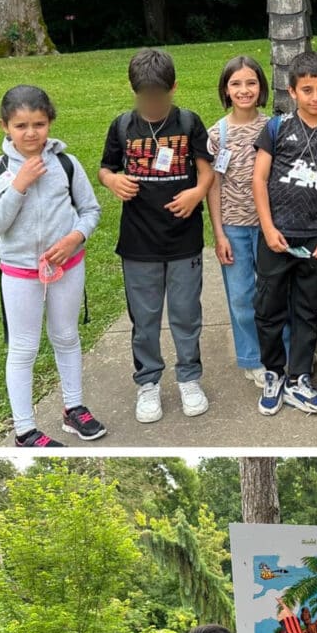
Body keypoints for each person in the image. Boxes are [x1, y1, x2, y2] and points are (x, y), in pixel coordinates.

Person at [0, 85, 104, 447]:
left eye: (38, 123)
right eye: (21, 126)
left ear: (50, 122)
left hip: (66, 266)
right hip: (20, 272)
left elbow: (91, 210)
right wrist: (17, 187)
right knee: (24, 348)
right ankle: (24, 430)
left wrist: (74, 238)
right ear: (5, 126)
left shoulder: (66, 163)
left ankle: (73, 408)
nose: (31, 133)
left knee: (66, 336)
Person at [99, 48, 214, 425]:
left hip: (183, 240)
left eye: (158, 97)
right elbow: (105, 169)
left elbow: (206, 171)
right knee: (144, 318)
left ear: (173, 88)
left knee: (186, 314)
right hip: (138, 242)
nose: (151, 104)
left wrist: (197, 193)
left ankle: (189, 377)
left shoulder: (188, 122)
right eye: (144, 97)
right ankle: (148, 382)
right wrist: (113, 180)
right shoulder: (122, 126)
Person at [252, 51, 317, 419]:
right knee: (268, 308)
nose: (315, 97)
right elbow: (258, 179)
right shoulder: (277, 129)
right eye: (306, 89)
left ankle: (299, 379)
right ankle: (274, 373)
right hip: (276, 235)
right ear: (292, 91)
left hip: (315, 238)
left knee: (307, 311)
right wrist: (267, 227)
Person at [205, 56, 270, 389]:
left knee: (272, 294)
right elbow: (212, 184)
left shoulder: (273, 127)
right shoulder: (217, 134)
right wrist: (219, 234)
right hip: (234, 226)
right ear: (225, 90)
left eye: (251, 83)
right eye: (236, 84)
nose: (244, 90)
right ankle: (252, 357)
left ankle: (279, 355)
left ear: (261, 87)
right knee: (242, 297)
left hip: (269, 226)